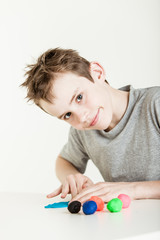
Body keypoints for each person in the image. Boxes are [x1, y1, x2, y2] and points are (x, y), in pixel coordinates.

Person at [21, 48, 160, 203]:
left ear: (97, 73)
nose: (81, 117)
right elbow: (64, 161)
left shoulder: (155, 105)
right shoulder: (82, 133)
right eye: (67, 115)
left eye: (79, 97)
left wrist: (132, 190)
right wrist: (71, 177)